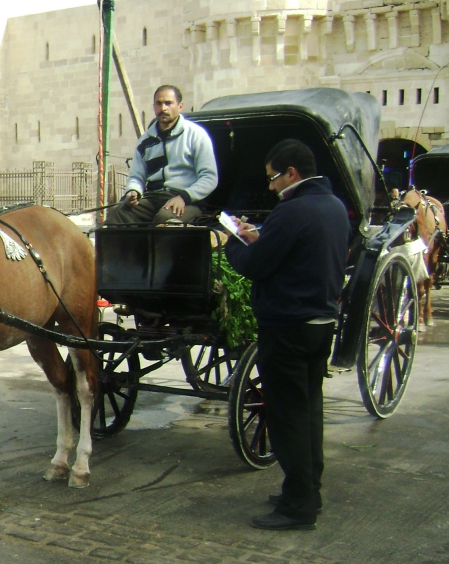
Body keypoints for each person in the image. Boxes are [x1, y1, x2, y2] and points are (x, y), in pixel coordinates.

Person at [224, 139, 349, 531]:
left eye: (274, 178)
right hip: (319, 323)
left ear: (291, 173)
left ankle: (298, 507)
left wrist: (234, 243)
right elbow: (295, 253)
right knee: (309, 411)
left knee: (288, 419)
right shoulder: (332, 207)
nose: (272, 186)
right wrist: (262, 238)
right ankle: (309, 489)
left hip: (287, 327)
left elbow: (256, 267)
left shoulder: (292, 211)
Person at [107, 85, 218, 226]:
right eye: (159, 104)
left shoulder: (196, 135)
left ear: (180, 106)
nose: (163, 108)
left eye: (168, 103)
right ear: (154, 106)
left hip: (189, 201)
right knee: (117, 213)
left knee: (165, 219)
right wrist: (133, 191)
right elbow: (136, 176)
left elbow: (209, 178)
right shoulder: (145, 141)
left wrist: (183, 197)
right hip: (153, 198)